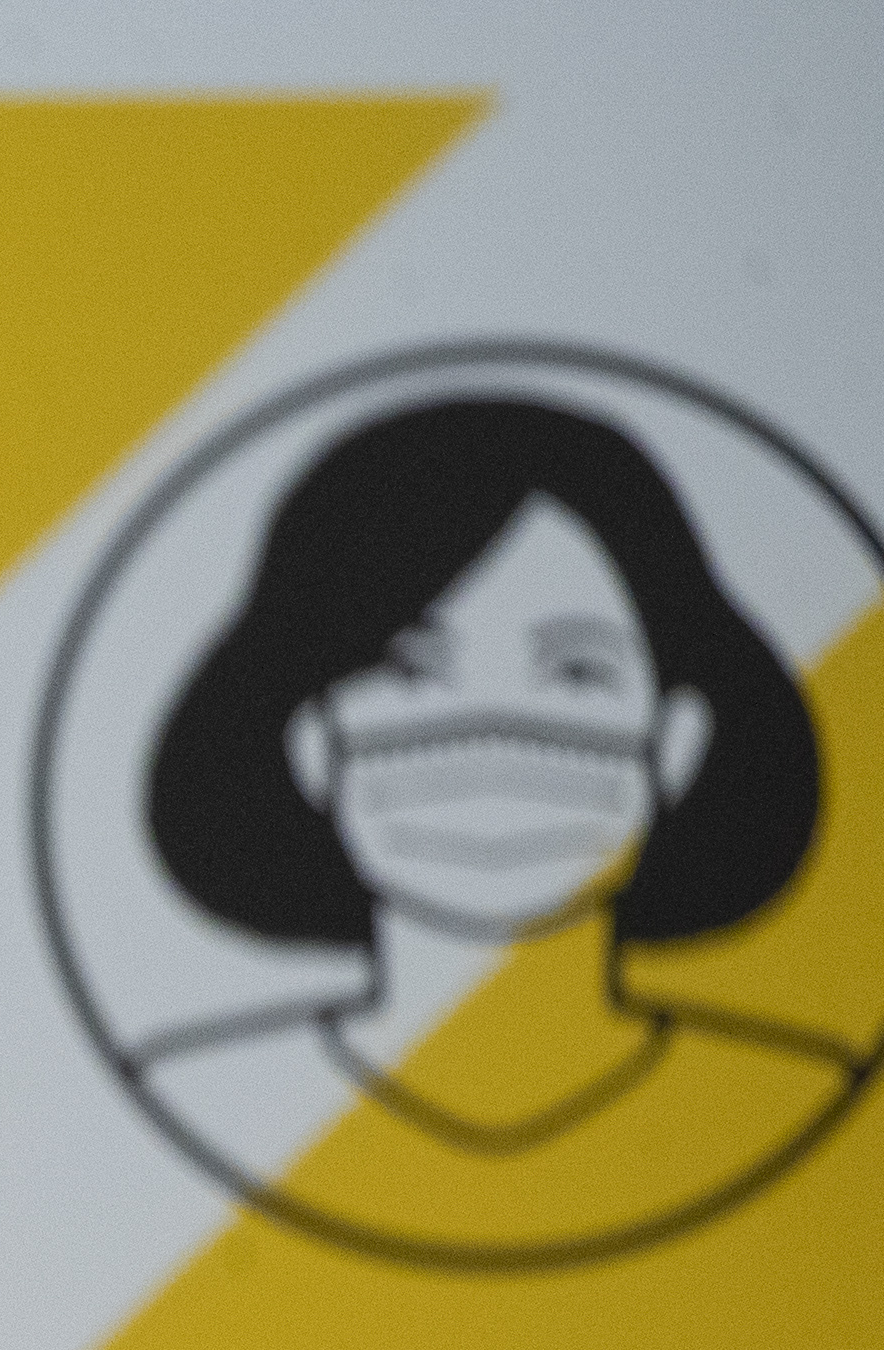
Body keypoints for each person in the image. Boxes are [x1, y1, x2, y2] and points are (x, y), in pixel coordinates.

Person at [129, 395, 853, 1257]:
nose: (492, 723)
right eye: (409, 670)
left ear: (676, 740)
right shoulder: (203, 1102)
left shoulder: (782, 1104)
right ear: (313, 740)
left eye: (576, 671)